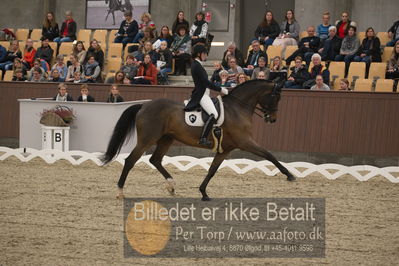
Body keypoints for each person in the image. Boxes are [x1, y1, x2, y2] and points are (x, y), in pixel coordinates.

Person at [184, 44, 229, 146]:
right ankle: (203, 138)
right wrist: (221, 89)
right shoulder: (196, 65)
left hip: (204, 93)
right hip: (201, 95)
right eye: (204, 53)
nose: (206, 56)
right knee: (214, 114)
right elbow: (206, 83)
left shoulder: (197, 64)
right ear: (199, 54)